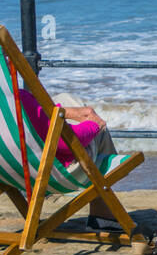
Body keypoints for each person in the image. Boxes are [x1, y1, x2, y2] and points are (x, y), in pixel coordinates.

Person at [16, 91, 121, 230]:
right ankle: (103, 209)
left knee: (64, 99)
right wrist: (94, 125)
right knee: (94, 126)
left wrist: (66, 112)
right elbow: (65, 143)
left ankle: (102, 209)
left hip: (10, 173)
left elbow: (35, 114)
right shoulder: (16, 96)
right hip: (52, 172)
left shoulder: (9, 102)